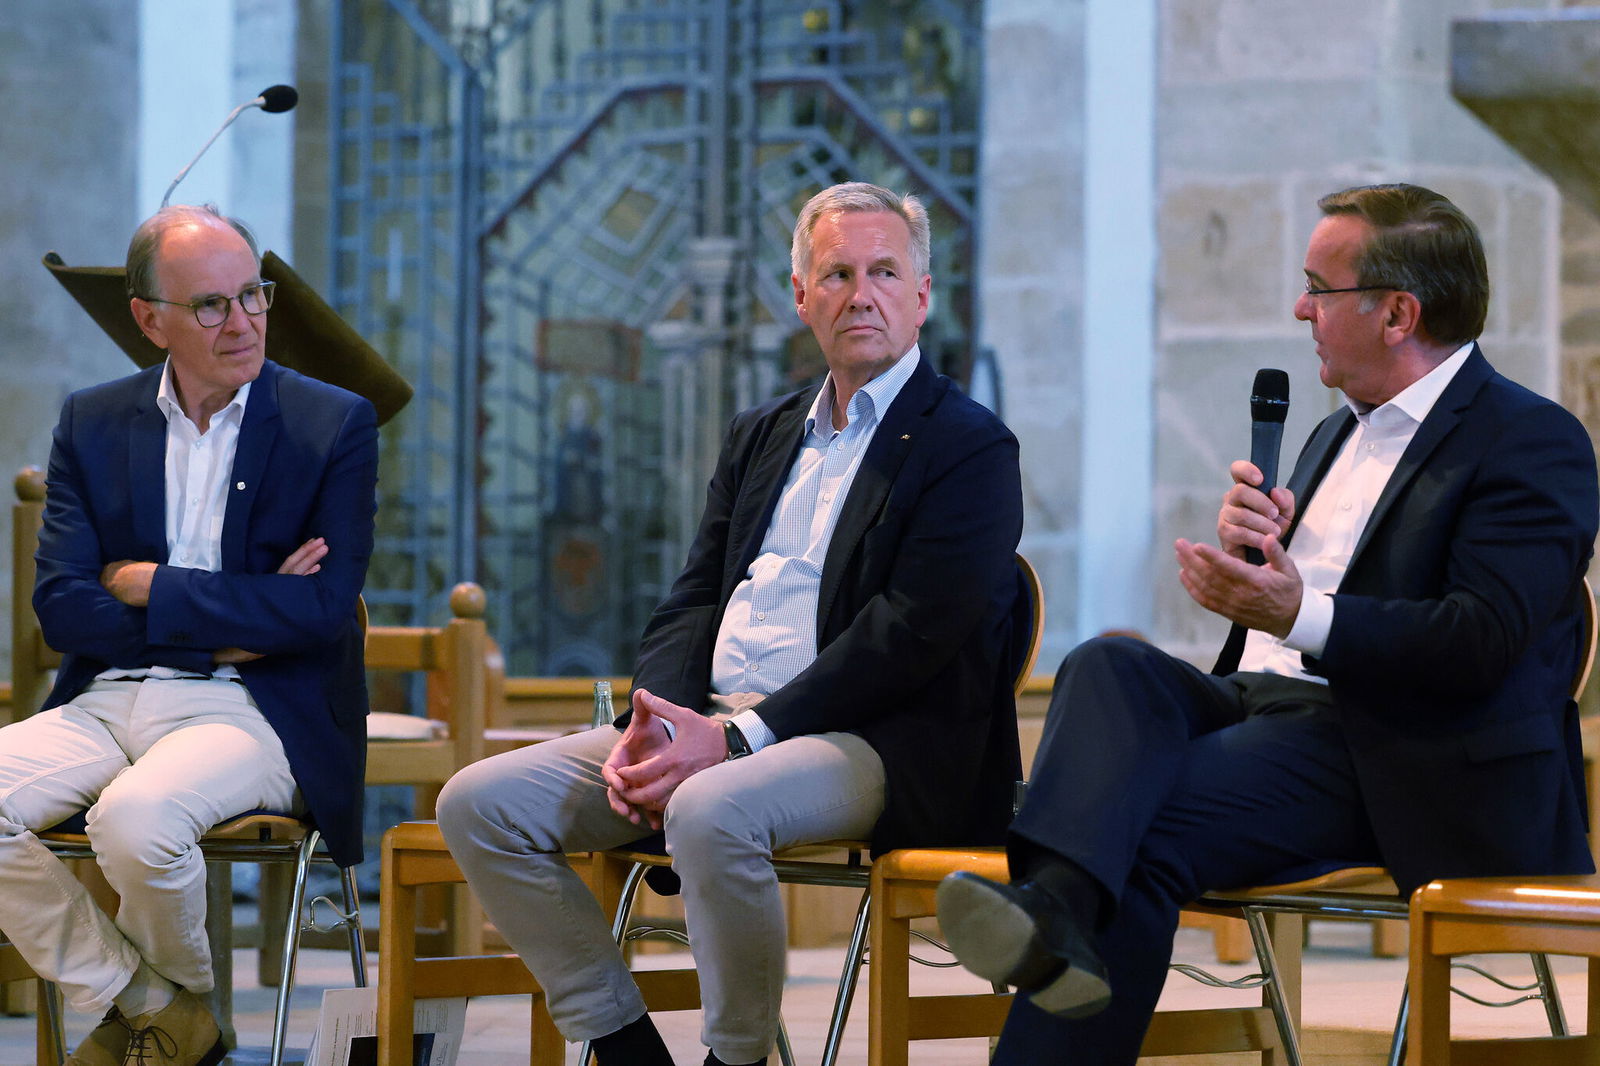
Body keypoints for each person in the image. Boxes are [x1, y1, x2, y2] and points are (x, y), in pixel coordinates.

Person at [937, 183, 1600, 1063]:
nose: (1300, 308)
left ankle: (1054, 926)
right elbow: (1297, 609)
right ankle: (1053, 913)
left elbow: (1479, 642)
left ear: (1398, 312)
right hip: (1267, 710)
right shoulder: (1333, 435)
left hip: (1399, 751)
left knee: (1142, 827)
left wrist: (1298, 610)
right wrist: (1257, 574)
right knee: (1109, 665)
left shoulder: (1530, 439)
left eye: (1319, 289)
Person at [438, 181, 1024, 1066]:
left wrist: (736, 739)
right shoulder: (764, 432)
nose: (859, 294)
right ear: (801, 296)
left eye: (883, 272)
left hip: (877, 739)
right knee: (480, 803)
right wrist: (661, 724)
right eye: (835, 274)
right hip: (716, 723)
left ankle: (737, 1057)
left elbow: (910, 634)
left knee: (713, 808)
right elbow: (695, 595)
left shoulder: (968, 445)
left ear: (920, 295)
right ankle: (621, 1041)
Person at [0, 205, 378, 1066]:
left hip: (257, 709)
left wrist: (149, 587)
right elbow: (61, 606)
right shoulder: (92, 421)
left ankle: (157, 1031)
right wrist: (224, 623)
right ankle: (161, 1012)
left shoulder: (333, 425)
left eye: (254, 294)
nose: (242, 322)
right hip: (108, 698)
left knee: (135, 823)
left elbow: (318, 614)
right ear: (149, 318)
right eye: (211, 304)